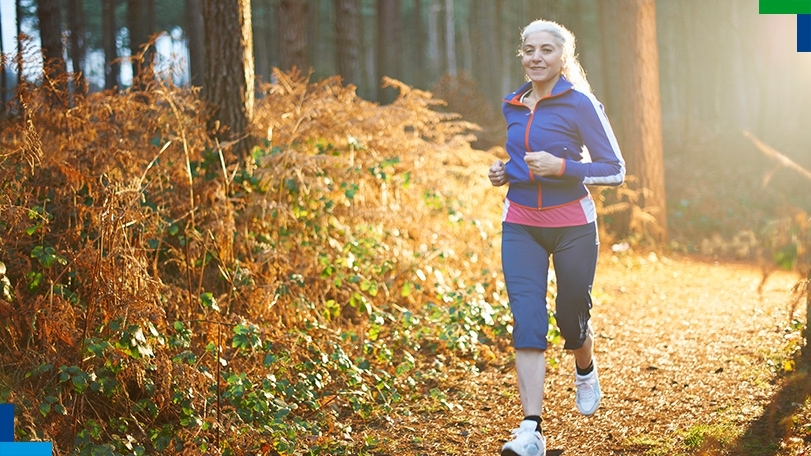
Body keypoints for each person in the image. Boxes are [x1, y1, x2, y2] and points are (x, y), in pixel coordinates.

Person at [488, 18, 625, 456]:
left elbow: (615, 170)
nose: (536, 57)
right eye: (529, 50)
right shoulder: (513, 104)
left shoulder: (581, 103)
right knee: (527, 319)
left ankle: (585, 366)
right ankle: (531, 429)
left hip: (572, 226)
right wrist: (502, 171)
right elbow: (520, 160)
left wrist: (563, 168)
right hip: (521, 225)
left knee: (570, 316)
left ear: (563, 57)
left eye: (546, 50)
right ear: (522, 55)